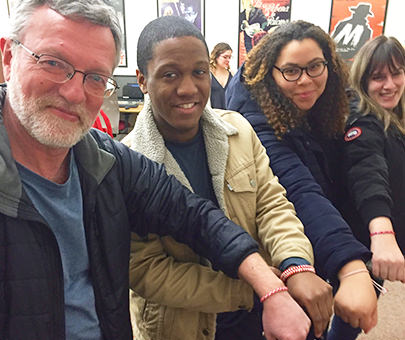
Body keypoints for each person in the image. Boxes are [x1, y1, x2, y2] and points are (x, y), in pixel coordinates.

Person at [0, 2, 311, 339]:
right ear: (7, 58)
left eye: (96, 77)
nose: (74, 92)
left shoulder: (107, 162)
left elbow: (196, 216)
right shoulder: (130, 153)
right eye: (53, 63)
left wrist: (277, 281)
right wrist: (250, 291)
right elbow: (147, 268)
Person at [122, 15, 333, 340]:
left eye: (199, 72)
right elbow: (146, 269)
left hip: (256, 311)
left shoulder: (238, 130)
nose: (188, 88)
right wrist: (253, 290)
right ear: (142, 80)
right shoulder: (127, 163)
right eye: (169, 74)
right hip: (183, 323)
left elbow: (272, 206)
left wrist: (296, 263)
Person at [225, 20, 379, 339]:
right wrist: (350, 265)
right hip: (280, 251)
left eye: (315, 67)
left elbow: (361, 143)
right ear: (272, 73)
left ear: (329, 65)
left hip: (322, 242)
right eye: (291, 71)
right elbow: (299, 188)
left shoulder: (331, 97)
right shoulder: (255, 119)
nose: (305, 80)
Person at [330, 35, 405, 339]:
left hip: (383, 245)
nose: (389, 85)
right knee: (348, 322)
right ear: (363, 80)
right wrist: (383, 234)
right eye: (378, 77)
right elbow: (367, 170)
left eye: (396, 73)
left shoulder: (394, 119)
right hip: (365, 245)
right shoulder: (362, 121)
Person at [209, 42, 233, 109]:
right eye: (225, 57)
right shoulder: (208, 75)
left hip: (229, 115)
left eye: (230, 57)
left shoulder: (232, 74)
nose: (228, 60)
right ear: (216, 56)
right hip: (214, 115)